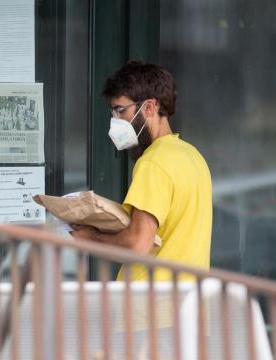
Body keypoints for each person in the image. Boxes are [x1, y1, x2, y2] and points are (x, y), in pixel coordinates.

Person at [71, 61, 212, 281]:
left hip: (150, 306)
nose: (115, 121)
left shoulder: (153, 162)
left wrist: (90, 238)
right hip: (186, 302)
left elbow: (138, 243)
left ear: (149, 107)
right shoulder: (193, 156)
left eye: (120, 110)